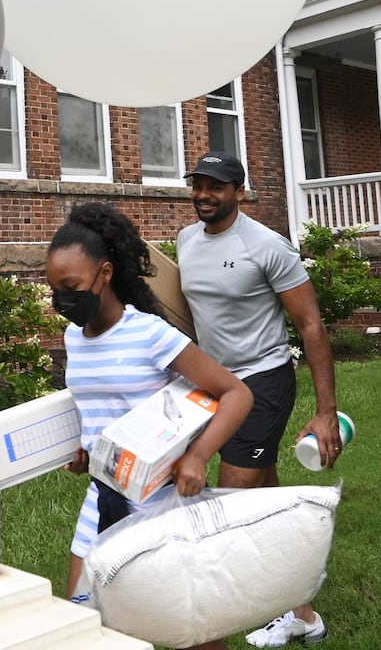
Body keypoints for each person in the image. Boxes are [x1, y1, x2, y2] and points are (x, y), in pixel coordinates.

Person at [48, 202, 253, 650]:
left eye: (71, 286)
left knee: (192, 634)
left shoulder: (149, 334)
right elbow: (102, 406)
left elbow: (236, 393)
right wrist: (88, 450)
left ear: (104, 273)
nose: (62, 299)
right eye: (54, 289)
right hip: (102, 499)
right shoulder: (73, 339)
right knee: (84, 623)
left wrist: (198, 457)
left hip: (159, 506)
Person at [175, 150, 339, 647]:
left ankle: (209, 625)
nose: (204, 194)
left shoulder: (266, 246)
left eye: (216, 186)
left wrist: (325, 411)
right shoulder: (185, 240)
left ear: (239, 192)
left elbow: (311, 325)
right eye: (198, 184)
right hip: (215, 387)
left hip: (262, 382)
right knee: (267, 502)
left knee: (226, 512)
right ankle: (304, 617)